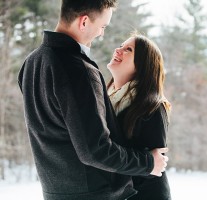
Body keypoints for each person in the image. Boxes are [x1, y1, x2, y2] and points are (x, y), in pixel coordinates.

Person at [17, 1, 168, 200]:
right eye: (102, 26)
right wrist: (148, 163)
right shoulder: (79, 70)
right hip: (93, 193)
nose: (101, 34)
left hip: (56, 192)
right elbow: (95, 150)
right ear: (84, 22)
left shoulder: (31, 63)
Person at [107, 33, 172, 200]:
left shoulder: (153, 107)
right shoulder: (105, 98)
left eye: (128, 49)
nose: (118, 50)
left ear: (143, 65)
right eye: (121, 45)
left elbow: (155, 166)